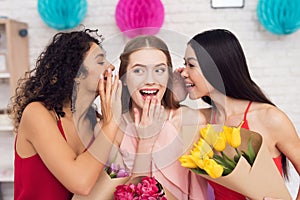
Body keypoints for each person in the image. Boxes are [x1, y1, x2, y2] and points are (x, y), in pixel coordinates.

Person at [176, 29, 300, 200]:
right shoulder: (201, 120)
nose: (183, 72)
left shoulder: (268, 118)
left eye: (191, 65)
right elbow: (158, 121)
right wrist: (174, 94)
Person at [9, 29, 122, 200]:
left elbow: (118, 173)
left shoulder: (95, 122)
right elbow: (81, 183)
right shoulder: (37, 114)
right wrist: (111, 122)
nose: (111, 67)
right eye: (100, 61)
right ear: (75, 73)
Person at [116, 35, 208, 199]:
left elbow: (198, 194)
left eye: (159, 70)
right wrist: (145, 143)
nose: (150, 80)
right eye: (138, 71)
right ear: (124, 78)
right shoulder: (113, 128)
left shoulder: (189, 121)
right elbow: (125, 194)